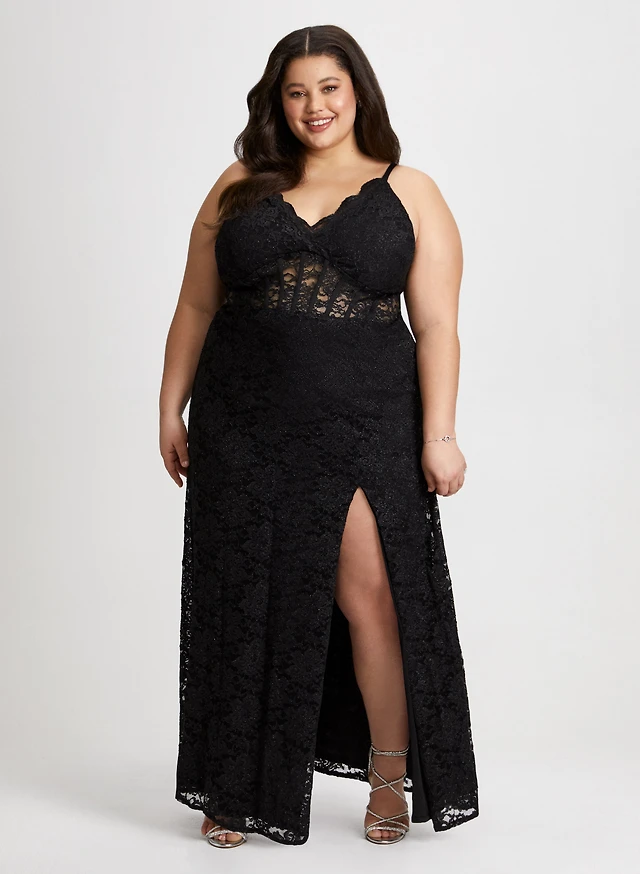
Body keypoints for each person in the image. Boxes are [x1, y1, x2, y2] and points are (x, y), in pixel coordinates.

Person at [159, 24, 479, 849]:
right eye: (297, 92)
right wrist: (170, 408)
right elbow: (195, 304)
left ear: (357, 91)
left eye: (329, 88)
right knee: (245, 593)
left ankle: (387, 774)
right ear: (278, 100)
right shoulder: (239, 184)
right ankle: (234, 784)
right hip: (244, 423)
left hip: (366, 423)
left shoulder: (410, 190)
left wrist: (439, 434)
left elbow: (437, 326)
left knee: (371, 596)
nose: (314, 106)